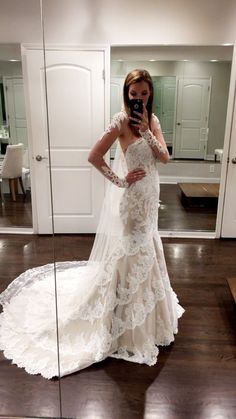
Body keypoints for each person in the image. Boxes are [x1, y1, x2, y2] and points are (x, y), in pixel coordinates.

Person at [0, 69, 184, 379]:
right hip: (132, 199)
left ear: (149, 94)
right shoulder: (120, 122)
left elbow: (164, 158)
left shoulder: (153, 121)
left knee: (148, 249)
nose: (138, 98)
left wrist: (149, 132)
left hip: (151, 197)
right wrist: (120, 180)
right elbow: (94, 155)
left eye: (143, 93)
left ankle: (149, 315)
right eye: (133, 93)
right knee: (130, 252)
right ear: (126, 94)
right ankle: (121, 319)